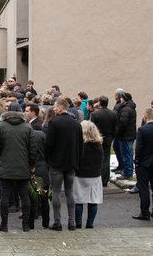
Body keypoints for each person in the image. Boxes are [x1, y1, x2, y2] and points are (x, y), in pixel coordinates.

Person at [0, 103, 37, 233]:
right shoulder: (28, 127)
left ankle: (4, 224)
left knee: (5, 195)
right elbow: (33, 149)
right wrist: (30, 163)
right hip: (23, 166)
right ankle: (26, 225)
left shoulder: (0, 126)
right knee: (24, 195)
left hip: (5, 166)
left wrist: (1, 153)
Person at [45, 98, 81, 231]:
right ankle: (72, 222)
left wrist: (48, 158)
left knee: (55, 192)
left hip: (56, 162)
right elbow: (80, 145)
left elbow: (49, 144)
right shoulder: (76, 124)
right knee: (70, 192)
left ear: (60, 107)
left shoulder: (54, 122)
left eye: (55, 107)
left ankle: (57, 222)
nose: (54, 109)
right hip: (71, 162)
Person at [133, 108, 153, 221]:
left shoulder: (142, 130)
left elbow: (139, 148)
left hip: (144, 163)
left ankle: (145, 212)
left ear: (145, 116)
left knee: (143, 188)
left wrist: (137, 160)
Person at [73, 121, 104, 228]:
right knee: (93, 200)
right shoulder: (99, 146)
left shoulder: (80, 146)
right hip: (94, 175)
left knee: (79, 200)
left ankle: (78, 223)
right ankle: (90, 224)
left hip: (80, 175)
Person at [88, 96, 117, 187]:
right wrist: (112, 136)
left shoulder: (95, 114)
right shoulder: (113, 114)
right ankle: (104, 180)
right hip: (108, 138)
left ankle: (96, 178)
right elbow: (115, 127)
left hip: (97, 138)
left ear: (99, 103)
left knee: (96, 159)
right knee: (106, 159)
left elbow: (92, 128)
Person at [113, 90, 137, 180]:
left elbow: (122, 123)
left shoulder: (126, 109)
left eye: (122, 98)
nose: (120, 99)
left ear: (125, 99)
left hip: (126, 136)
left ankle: (127, 173)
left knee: (127, 154)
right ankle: (127, 171)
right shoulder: (129, 107)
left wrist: (117, 132)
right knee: (128, 154)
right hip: (128, 135)